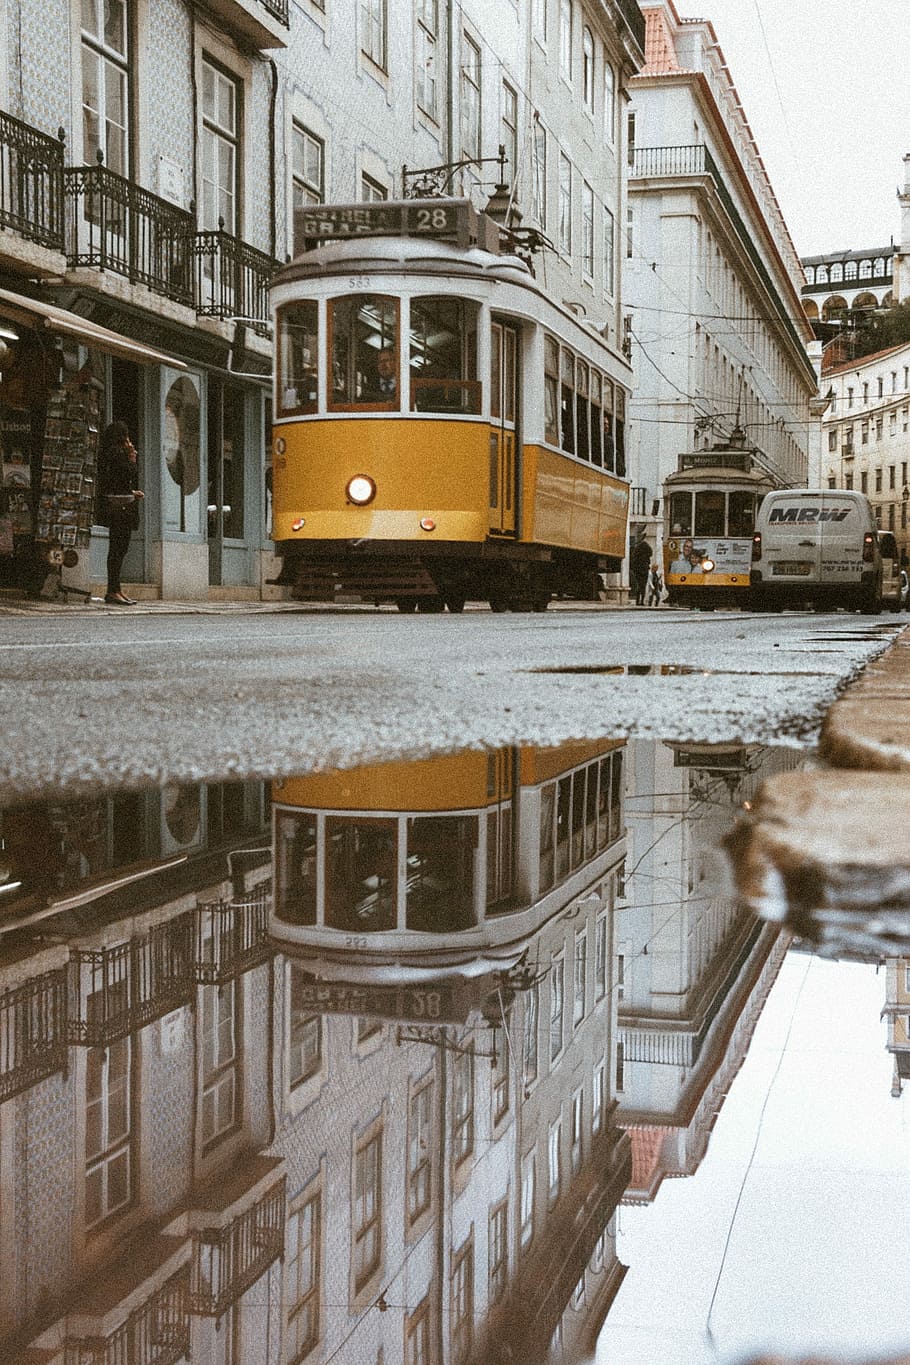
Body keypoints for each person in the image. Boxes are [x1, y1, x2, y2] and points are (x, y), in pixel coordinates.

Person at [98, 421, 144, 604]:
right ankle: (112, 590)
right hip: (121, 509)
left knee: (117, 550)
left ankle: (116, 588)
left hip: (119, 504)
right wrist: (132, 459)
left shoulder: (108, 454)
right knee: (118, 550)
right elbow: (127, 475)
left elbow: (116, 483)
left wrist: (131, 492)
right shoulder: (116, 455)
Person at [629, 534, 652, 606]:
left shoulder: (636, 554)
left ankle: (637, 600)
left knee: (638, 586)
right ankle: (641, 600)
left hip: (637, 571)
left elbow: (633, 562)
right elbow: (649, 562)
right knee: (643, 586)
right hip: (644, 571)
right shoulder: (647, 556)